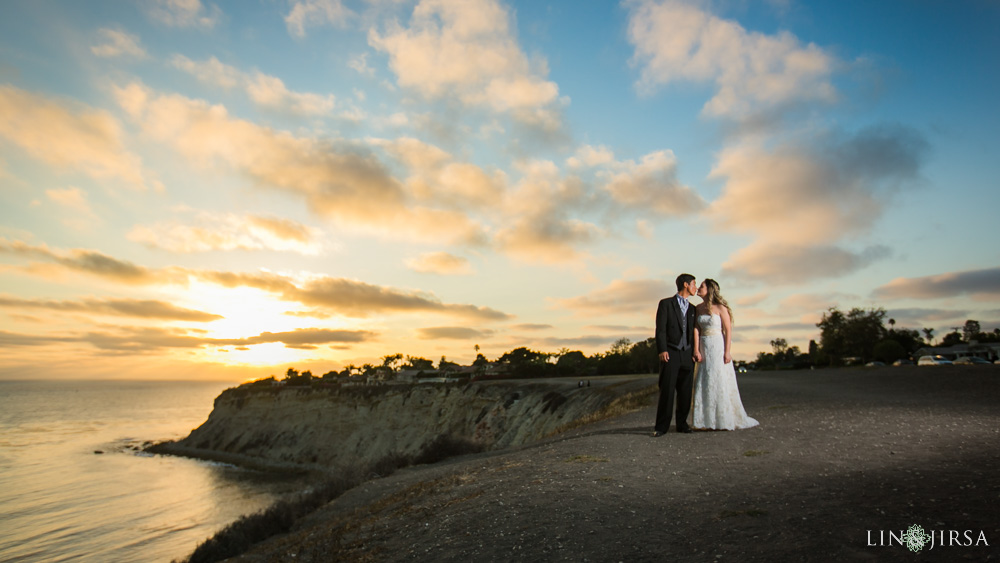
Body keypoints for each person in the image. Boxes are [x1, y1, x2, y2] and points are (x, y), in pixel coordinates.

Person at [691, 279, 758, 431]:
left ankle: (722, 419)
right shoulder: (698, 308)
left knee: (718, 378)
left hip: (717, 345)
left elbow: (728, 330)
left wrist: (727, 351)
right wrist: (696, 349)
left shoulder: (721, 308)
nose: (699, 288)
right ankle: (705, 420)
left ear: (710, 289)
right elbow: (696, 329)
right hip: (703, 344)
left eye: (702, 286)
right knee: (704, 378)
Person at [652, 273, 698, 436]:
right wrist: (662, 349)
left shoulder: (693, 309)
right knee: (667, 390)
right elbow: (661, 329)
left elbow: (694, 332)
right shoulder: (666, 304)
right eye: (693, 284)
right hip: (670, 352)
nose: (695, 287)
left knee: (685, 391)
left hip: (687, 354)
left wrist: (694, 351)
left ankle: (682, 424)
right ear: (685, 284)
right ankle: (661, 427)